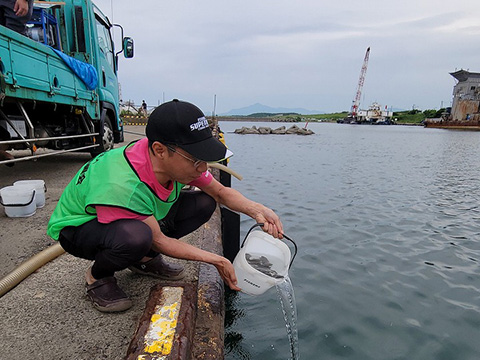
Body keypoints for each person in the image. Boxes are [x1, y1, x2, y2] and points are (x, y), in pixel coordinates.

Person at [47, 99, 283, 312]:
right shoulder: (124, 185)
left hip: (131, 219)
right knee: (137, 237)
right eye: (197, 160)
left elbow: (220, 192)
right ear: (160, 150)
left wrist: (257, 210)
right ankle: (98, 276)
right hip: (80, 229)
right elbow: (158, 239)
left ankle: (144, 260)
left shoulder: (173, 161)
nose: (204, 168)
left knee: (204, 202)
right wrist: (217, 259)